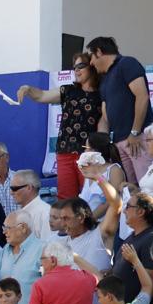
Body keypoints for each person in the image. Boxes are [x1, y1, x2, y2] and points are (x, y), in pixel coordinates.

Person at [15, 54, 101, 199]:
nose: (77, 70)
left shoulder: (101, 93)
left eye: (81, 66)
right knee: (66, 199)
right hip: (65, 153)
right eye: (74, 68)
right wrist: (28, 88)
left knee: (90, 197)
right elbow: (41, 95)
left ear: (91, 66)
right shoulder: (68, 90)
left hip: (88, 154)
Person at [86, 36, 152, 185]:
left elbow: (142, 96)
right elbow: (105, 115)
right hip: (119, 142)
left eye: (91, 56)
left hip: (137, 139)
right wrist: (101, 143)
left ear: (99, 52)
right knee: (131, 188)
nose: (91, 62)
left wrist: (135, 132)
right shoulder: (104, 79)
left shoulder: (127, 63)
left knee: (147, 186)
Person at [0, 214, 45, 304]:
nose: (4, 232)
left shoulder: (43, 249)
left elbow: (51, 288)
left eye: (8, 228)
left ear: (23, 227)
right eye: (3, 227)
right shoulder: (5, 249)